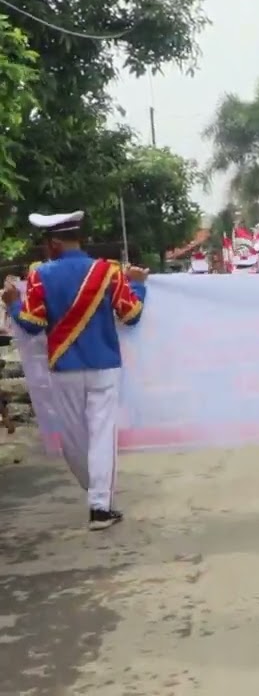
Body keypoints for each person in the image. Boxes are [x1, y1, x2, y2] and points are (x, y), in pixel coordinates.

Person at [1, 210, 147, 530]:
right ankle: (99, 504)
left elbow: (32, 324)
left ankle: (98, 499)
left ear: (54, 244)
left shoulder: (40, 276)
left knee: (73, 439)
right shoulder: (108, 272)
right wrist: (138, 286)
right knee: (101, 435)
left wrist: (13, 303)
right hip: (104, 365)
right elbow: (131, 315)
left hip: (63, 367)